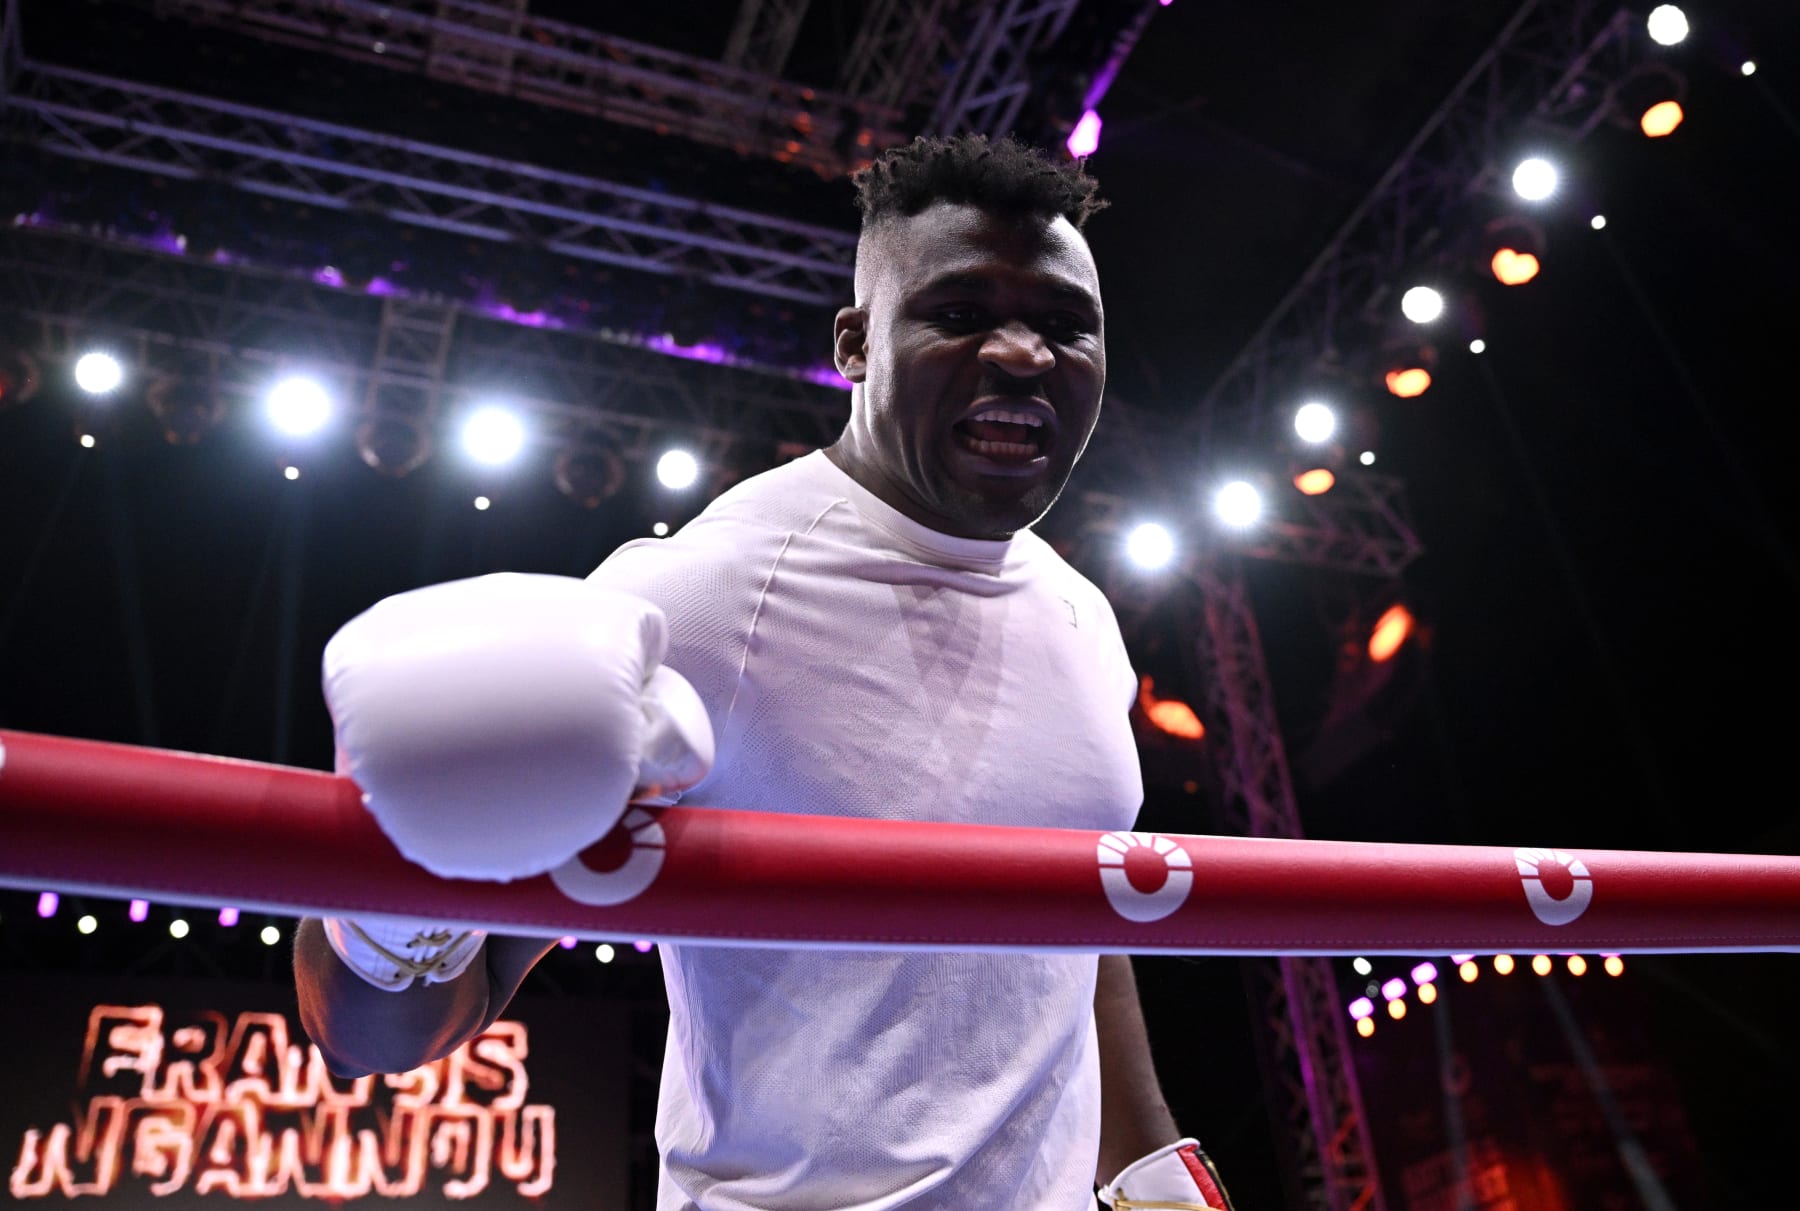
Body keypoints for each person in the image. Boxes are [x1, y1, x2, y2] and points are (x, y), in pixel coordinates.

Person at [294, 134, 1233, 1210]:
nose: (1024, 353)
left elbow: (1078, 912)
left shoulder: (1081, 613)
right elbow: (373, 1038)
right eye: (962, 312)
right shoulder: (702, 596)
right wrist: (401, 896)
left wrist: (1160, 1173)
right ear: (856, 343)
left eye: (1067, 325)